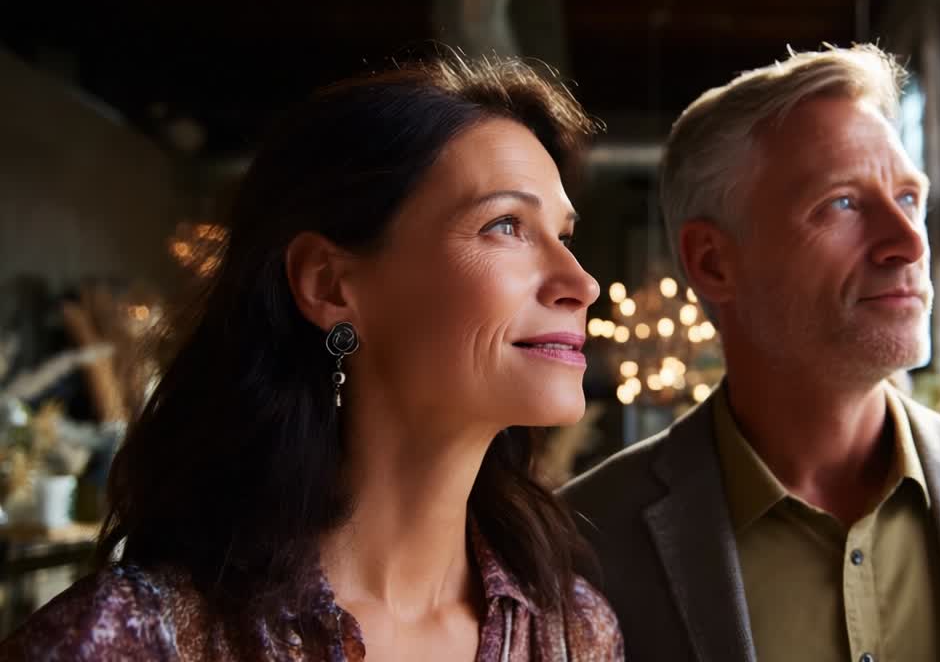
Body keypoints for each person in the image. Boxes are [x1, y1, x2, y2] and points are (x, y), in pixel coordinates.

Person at [1, 57, 623, 661]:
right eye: (507, 225)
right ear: (329, 285)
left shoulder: (575, 635)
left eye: (564, 236)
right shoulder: (125, 642)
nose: (581, 282)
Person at [560, 45, 940, 662]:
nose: (909, 243)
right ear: (714, 261)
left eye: (909, 199)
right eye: (841, 203)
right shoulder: (581, 542)